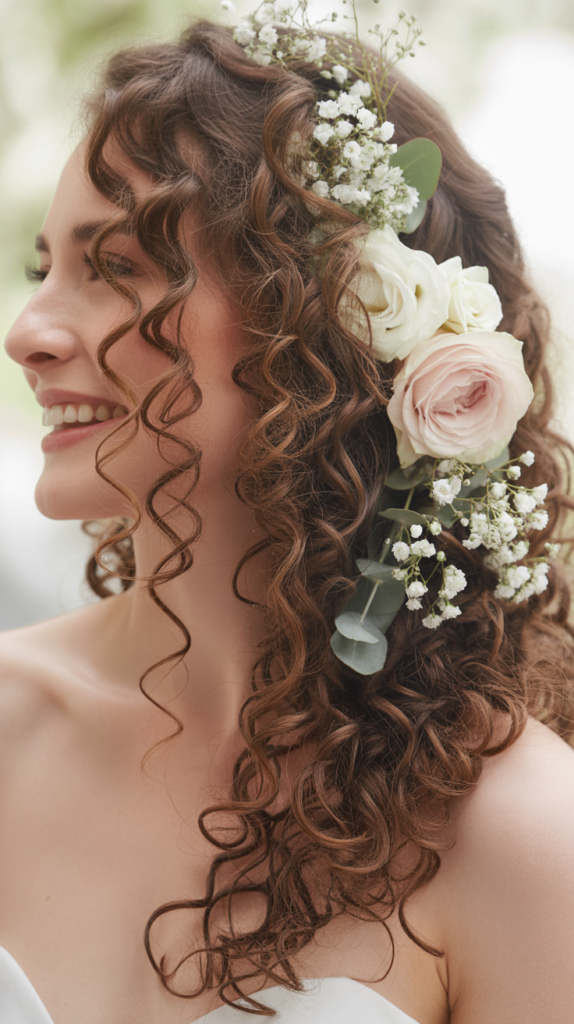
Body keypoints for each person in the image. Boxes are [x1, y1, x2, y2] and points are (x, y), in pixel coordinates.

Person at [2, 6, 574, 1023]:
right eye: (46, 269)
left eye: (118, 266)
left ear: (317, 321)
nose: (28, 333)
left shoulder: (519, 833)